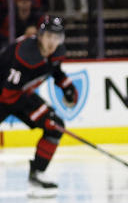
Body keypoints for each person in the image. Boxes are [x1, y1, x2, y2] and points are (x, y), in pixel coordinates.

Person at [0, 16, 76, 191]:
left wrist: (67, 86)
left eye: (57, 38)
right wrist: (39, 111)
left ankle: (38, 173)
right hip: (5, 94)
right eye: (49, 36)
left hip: (20, 94)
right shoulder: (25, 54)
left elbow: (54, 69)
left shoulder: (56, 52)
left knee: (55, 126)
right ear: (40, 36)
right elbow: (8, 96)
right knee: (49, 119)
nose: (52, 42)